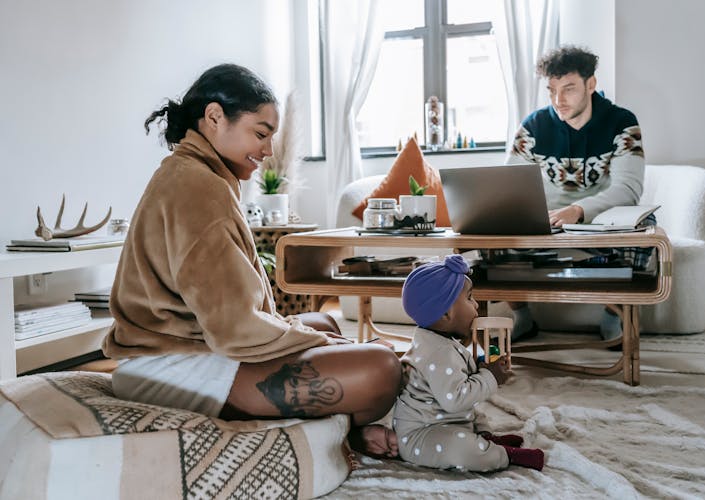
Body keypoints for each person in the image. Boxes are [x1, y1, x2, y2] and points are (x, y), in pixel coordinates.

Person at [102, 63, 401, 458]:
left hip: (184, 349)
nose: (268, 150)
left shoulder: (194, 172)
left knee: (325, 321)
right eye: (260, 134)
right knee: (381, 368)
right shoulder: (198, 186)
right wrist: (316, 343)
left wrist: (316, 336)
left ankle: (336, 427)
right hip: (170, 369)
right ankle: (335, 431)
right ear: (214, 117)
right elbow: (233, 330)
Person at [505, 45, 646, 344]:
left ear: (591, 84)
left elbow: (628, 189)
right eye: (552, 90)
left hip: (601, 223)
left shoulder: (622, 122)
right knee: (494, 239)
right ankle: (523, 317)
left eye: (568, 88)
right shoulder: (533, 126)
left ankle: (613, 316)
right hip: (547, 224)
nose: (558, 100)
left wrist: (578, 210)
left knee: (645, 229)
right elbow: (508, 184)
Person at [393, 254, 544, 472]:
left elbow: (458, 375)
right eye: (470, 298)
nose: (476, 305)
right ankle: (502, 455)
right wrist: (490, 377)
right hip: (422, 435)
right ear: (446, 313)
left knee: (477, 413)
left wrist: (480, 366)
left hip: (448, 421)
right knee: (459, 448)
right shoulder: (437, 352)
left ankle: (486, 438)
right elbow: (455, 400)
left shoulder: (440, 342)